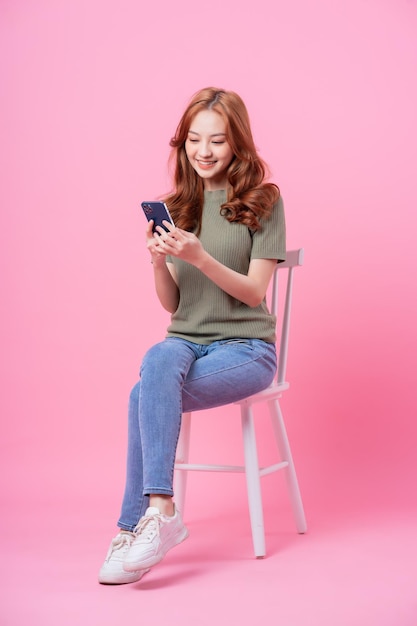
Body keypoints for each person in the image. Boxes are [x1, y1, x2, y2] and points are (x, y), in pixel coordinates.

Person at [98, 87, 286, 585]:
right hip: (186, 343)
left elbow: (252, 293)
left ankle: (139, 522)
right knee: (158, 356)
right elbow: (174, 306)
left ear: (238, 144)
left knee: (145, 393)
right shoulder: (176, 205)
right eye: (194, 141)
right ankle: (160, 512)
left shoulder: (264, 200)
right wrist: (159, 261)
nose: (204, 152)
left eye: (218, 141)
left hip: (247, 349)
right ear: (182, 145)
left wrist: (200, 256)